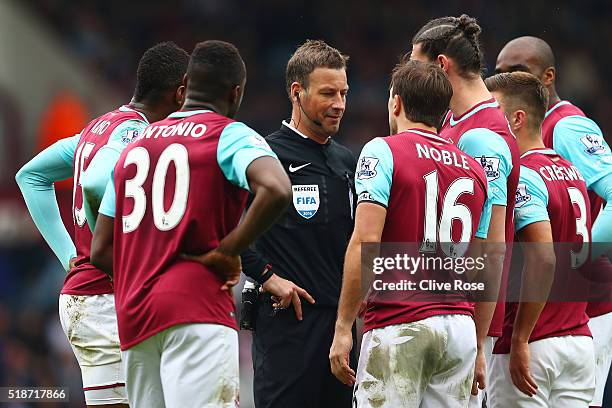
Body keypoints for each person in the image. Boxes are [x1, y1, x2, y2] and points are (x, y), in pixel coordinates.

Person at [89, 40, 291, 408]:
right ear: (236, 92)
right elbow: (277, 188)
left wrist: (148, 270)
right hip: (197, 310)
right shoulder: (229, 134)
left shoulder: (136, 144)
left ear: (185, 86)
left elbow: (100, 249)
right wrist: (228, 250)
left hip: (135, 316)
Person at [15, 41, 189, 407]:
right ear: (180, 92)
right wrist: (106, 250)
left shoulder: (97, 128)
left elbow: (30, 176)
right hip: (101, 301)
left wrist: (67, 254)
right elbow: (95, 181)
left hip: (91, 297)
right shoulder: (134, 135)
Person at [329, 60, 493, 407]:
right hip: (459, 328)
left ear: (396, 103)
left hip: (400, 323)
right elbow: (482, 265)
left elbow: (366, 241)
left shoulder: (383, 150)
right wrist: (479, 345)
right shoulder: (475, 171)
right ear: (444, 112)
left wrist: (344, 325)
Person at [495, 37, 612, 408]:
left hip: (579, 306)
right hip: (564, 317)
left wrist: (581, 259)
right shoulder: (535, 144)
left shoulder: (567, 126)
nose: (507, 80)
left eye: (518, 72)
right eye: (499, 73)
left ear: (548, 77)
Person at [410, 15, 520, 405]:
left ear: (441, 66)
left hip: (465, 317)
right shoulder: (451, 125)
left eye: (415, 64)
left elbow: (492, 246)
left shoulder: (484, 135)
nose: (409, 77)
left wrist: (476, 337)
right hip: (438, 310)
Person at [239, 39, 357, 407]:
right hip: (287, 328)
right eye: (327, 93)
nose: (339, 104)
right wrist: (266, 277)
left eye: (343, 93)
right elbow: (224, 231)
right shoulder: (264, 156)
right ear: (297, 92)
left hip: (341, 331)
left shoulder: (348, 163)